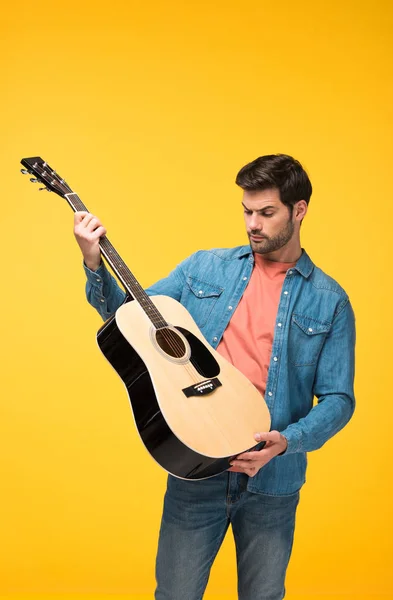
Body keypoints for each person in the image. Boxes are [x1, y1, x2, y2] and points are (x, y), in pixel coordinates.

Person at [74, 154, 356, 600]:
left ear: (298, 210)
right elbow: (130, 318)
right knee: (176, 594)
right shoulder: (205, 268)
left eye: (267, 213)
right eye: (247, 211)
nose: (253, 223)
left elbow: (340, 399)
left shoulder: (330, 301)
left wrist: (288, 441)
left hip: (273, 480)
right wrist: (94, 261)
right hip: (196, 465)